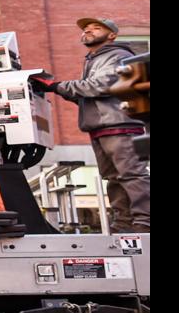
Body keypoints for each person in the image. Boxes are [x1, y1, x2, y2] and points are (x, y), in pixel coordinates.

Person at [38, 16, 150, 233]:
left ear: (112, 35)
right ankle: (125, 224)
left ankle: (145, 222)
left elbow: (100, 85)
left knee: (132, 174)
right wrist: (56, 89)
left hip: (120, 124)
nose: (87, 31)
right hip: (102, 127)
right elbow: (89, 94)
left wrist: (58, 86)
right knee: (114, 178)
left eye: (96, 28)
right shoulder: (93, 60)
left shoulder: (117, 55)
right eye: (85, 29)